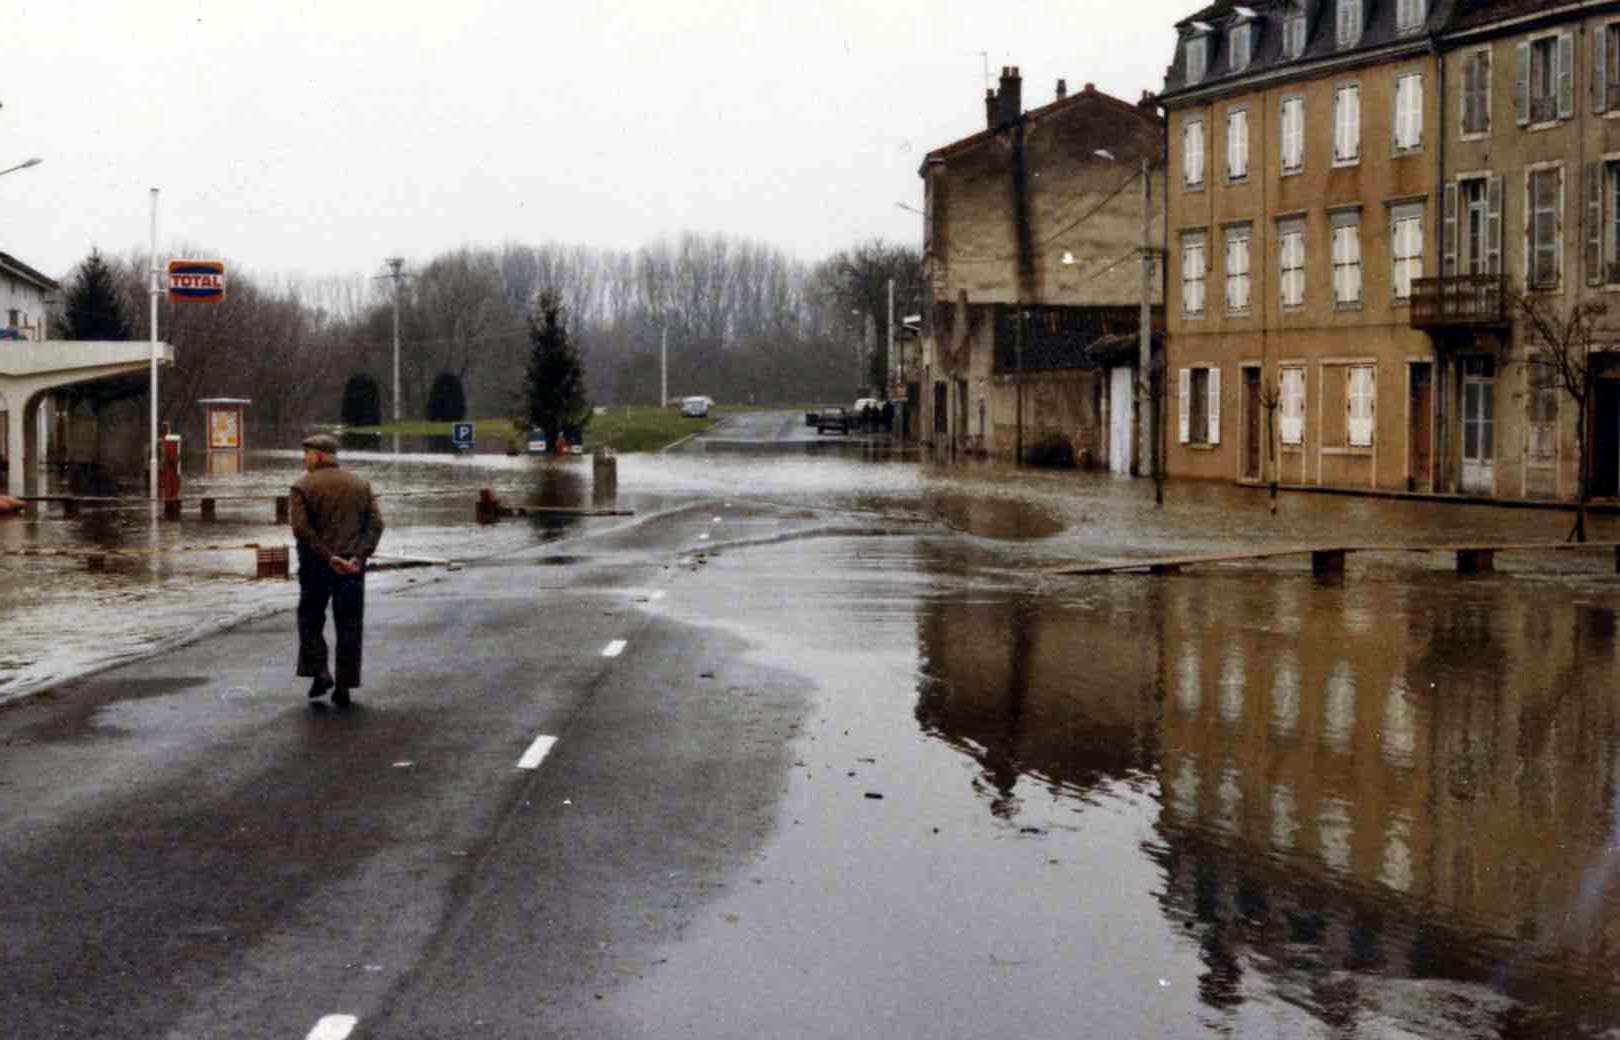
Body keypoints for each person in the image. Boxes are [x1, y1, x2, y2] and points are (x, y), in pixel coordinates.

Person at [289, 433, 384, 707]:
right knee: (350, 623)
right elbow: (376, 525)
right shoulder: (360, 485)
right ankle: (344, 685)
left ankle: (320, 671)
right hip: (352, 568)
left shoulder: (301, 487)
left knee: (310, 619)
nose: (305, 459)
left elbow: (301, 529)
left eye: (307, 454)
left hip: (316, 565)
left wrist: (328, 556)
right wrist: (358, 556)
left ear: (319, 455)